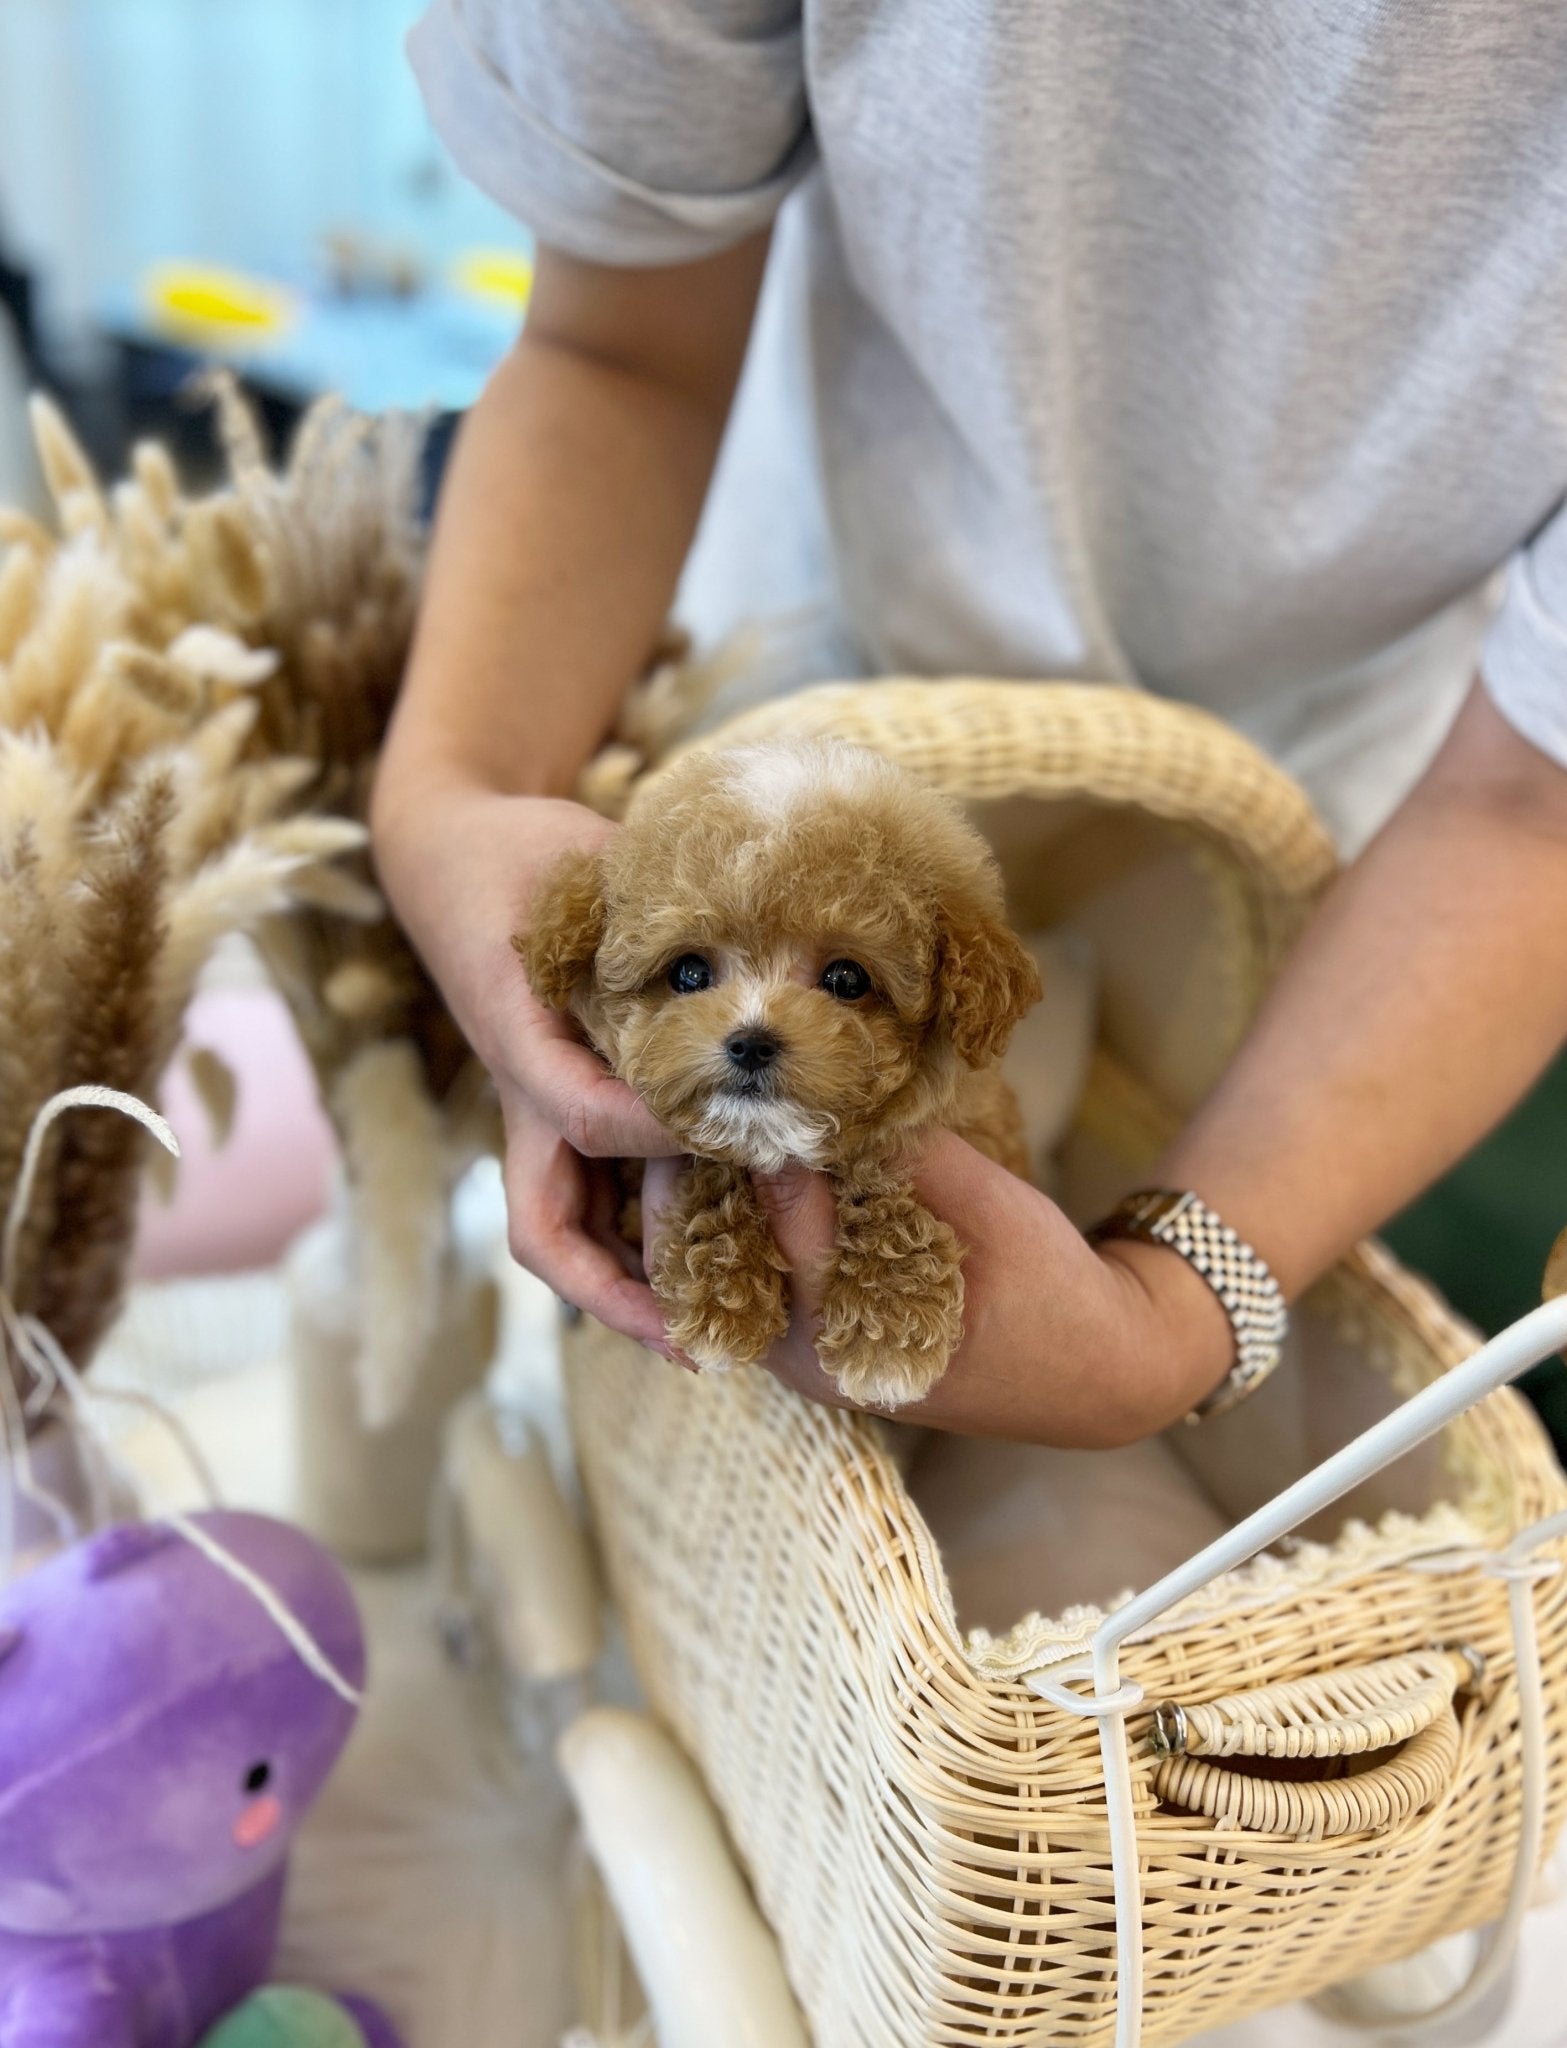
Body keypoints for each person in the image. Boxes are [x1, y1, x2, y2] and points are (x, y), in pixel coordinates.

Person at [372, 3, 1567, 1447]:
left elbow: (1533, 803)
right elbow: (618, 344)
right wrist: (451, 798)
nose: (754, 1026)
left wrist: (1179, 1314)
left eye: (849, 985)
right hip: (799, 636)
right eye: (695, 974)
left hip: (1351, 840)